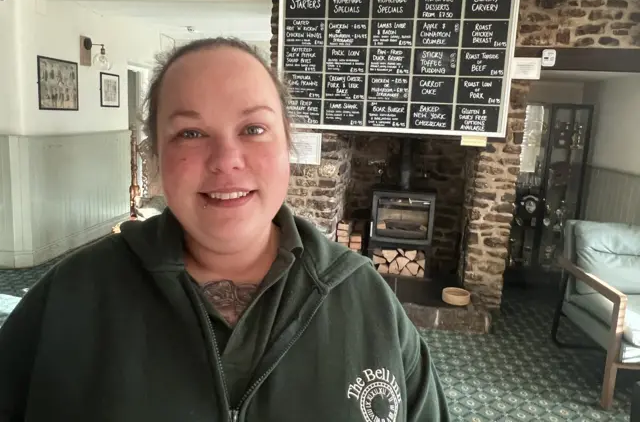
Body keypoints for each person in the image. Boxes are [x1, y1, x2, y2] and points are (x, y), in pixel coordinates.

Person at [0, 37, 450, 422]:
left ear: (287, 144)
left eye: (253, 128)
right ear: (153, 155)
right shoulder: (71, 297)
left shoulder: (367, 299)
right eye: (190, 134)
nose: (226, 159)